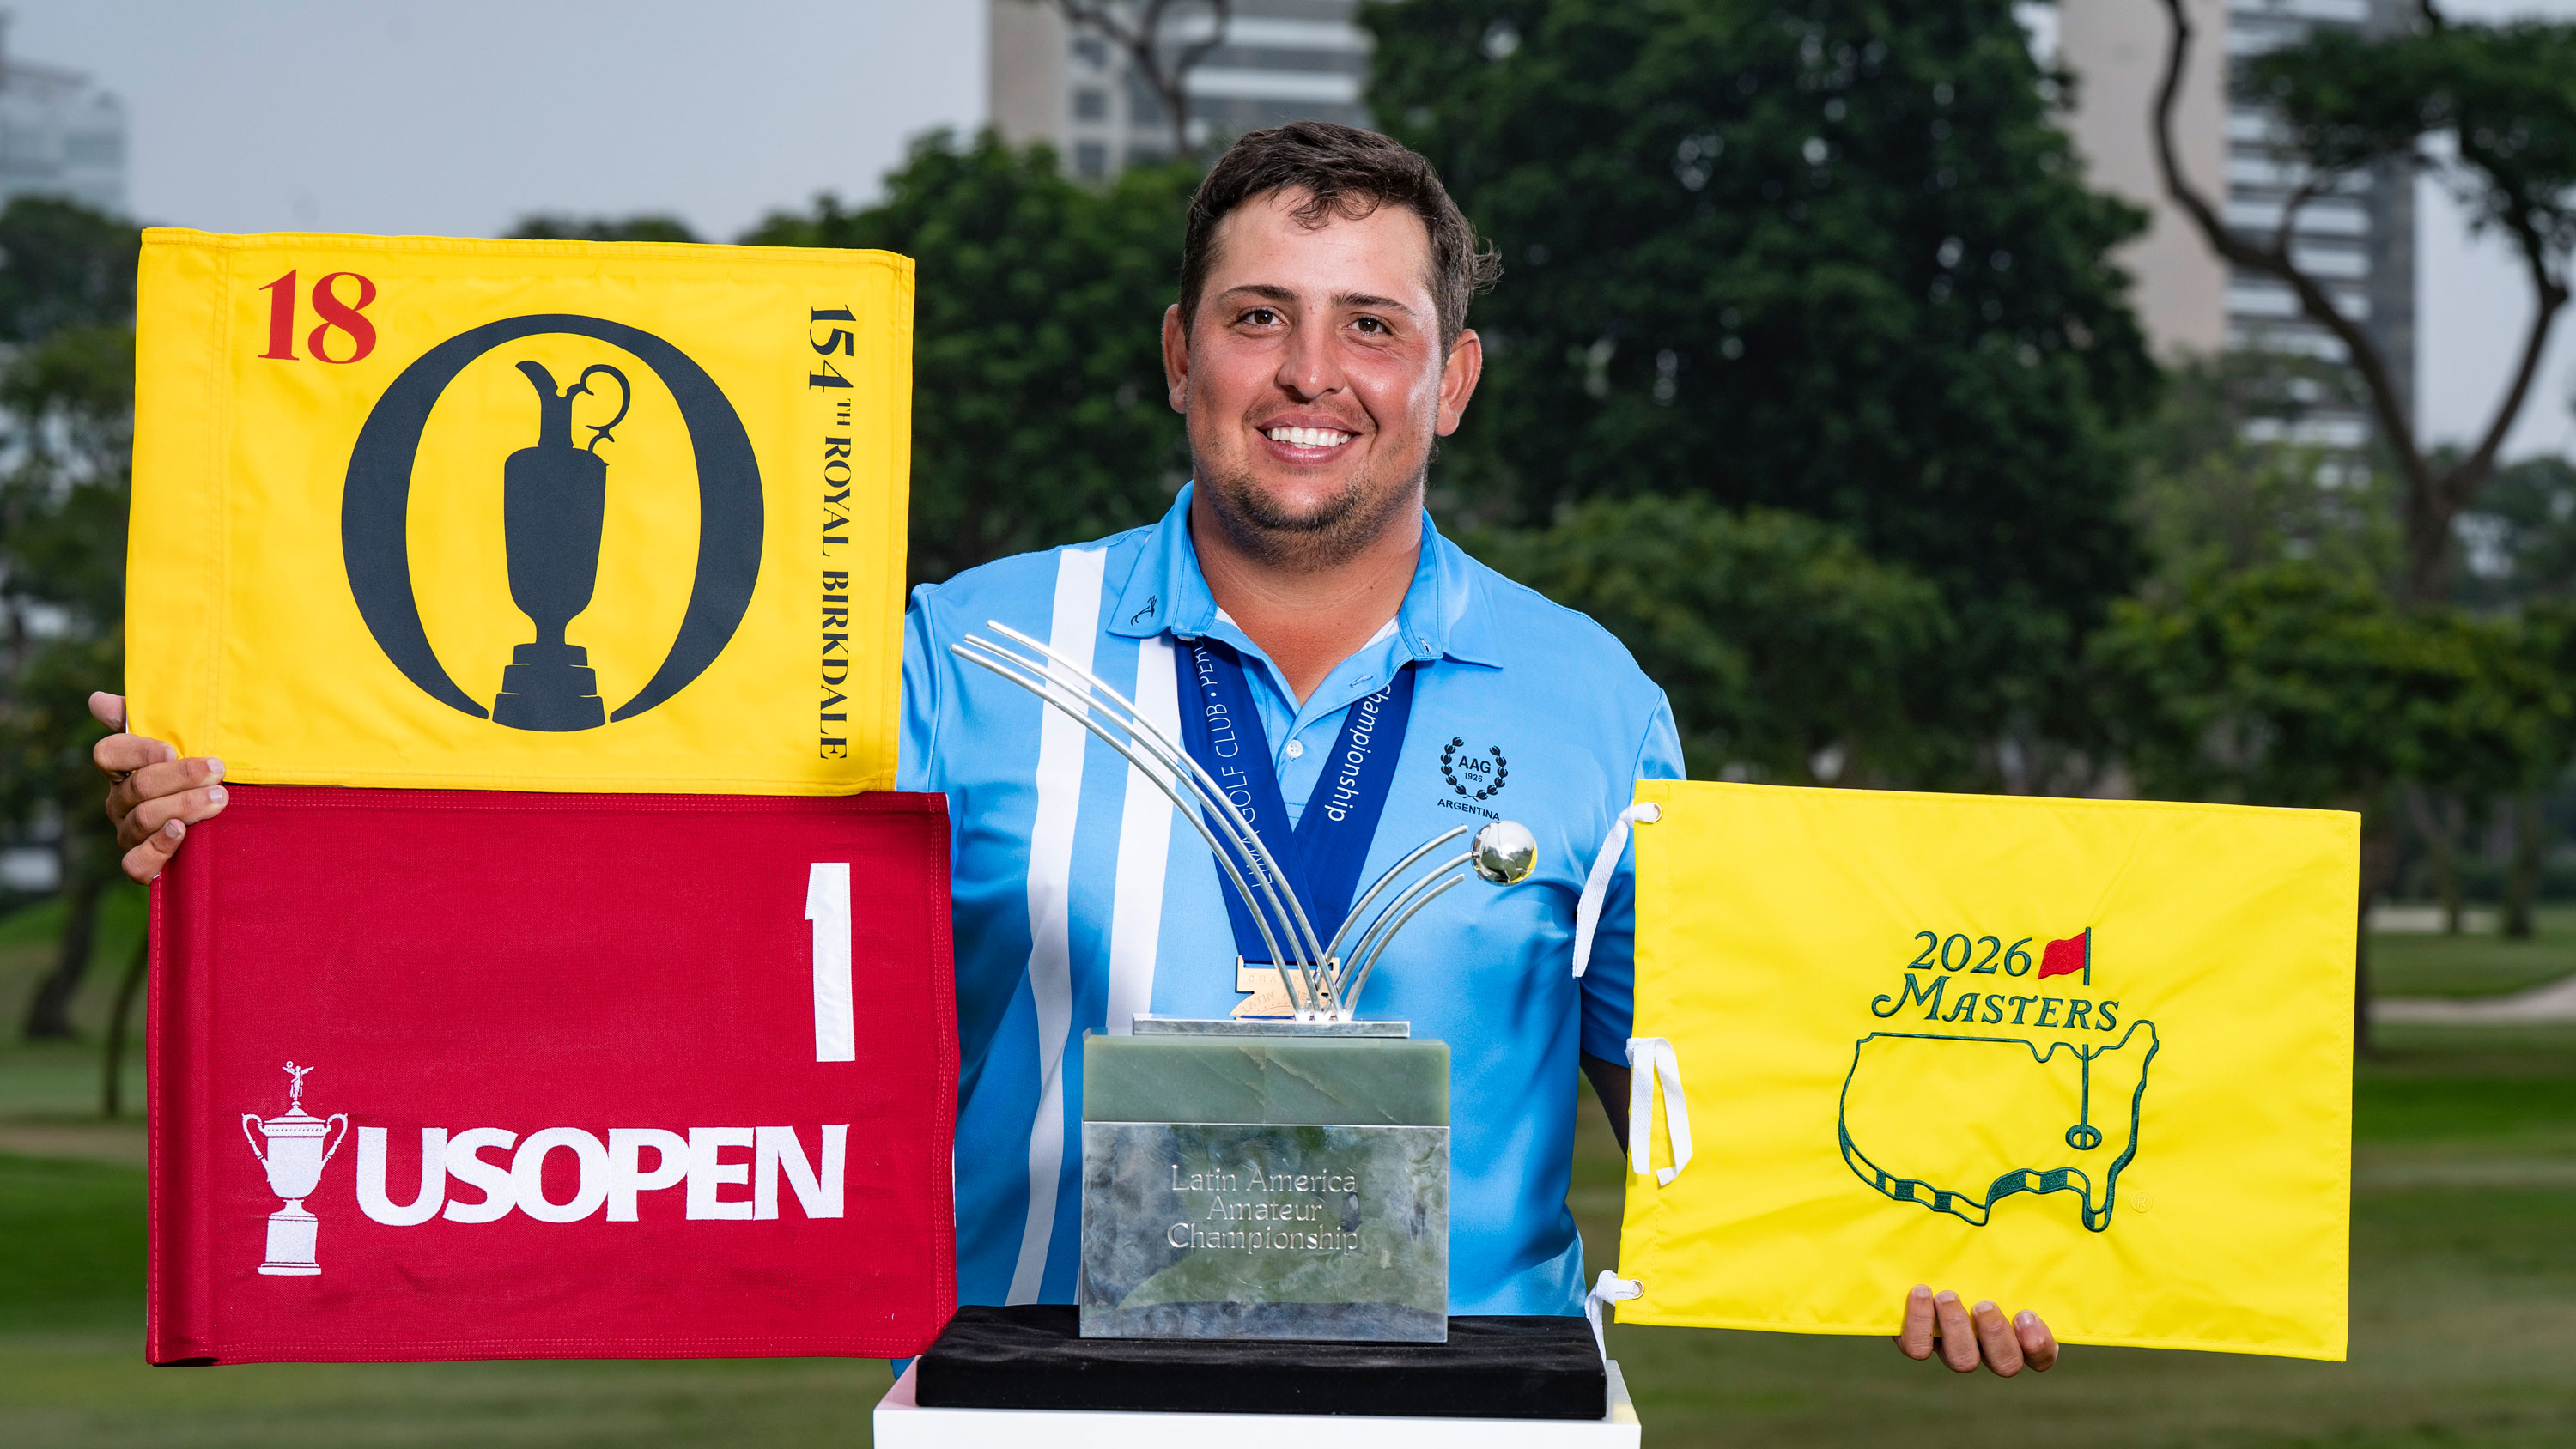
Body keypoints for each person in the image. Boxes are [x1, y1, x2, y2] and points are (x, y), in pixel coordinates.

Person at [92, 122, 2055, 1376]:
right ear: (1179, 352)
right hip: (1031, 1402)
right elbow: (620, 884)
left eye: (1372, 328)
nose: (1312, 376)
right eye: (1259, 316)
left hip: (1483, 1412)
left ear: (1450, 379)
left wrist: (1935, 1236)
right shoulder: (954, 648)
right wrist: (252, 817)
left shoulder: (1592, 696)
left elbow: (1691, 1078)